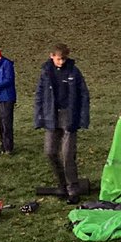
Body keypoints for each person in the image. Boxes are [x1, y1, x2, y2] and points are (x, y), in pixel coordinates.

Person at [33, 43, 90, 203]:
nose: (62, 62)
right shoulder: (46, 72)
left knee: (67, 155)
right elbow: (39, 95)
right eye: (59, 59)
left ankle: (73, 190)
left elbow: (84, 95)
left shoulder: (74, 71)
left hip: (69, 117)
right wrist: (39, 117)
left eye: (64, 59)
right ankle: (62, 184)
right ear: (52, 56)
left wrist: (83, 119)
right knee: (50, 152)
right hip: (52, 116)